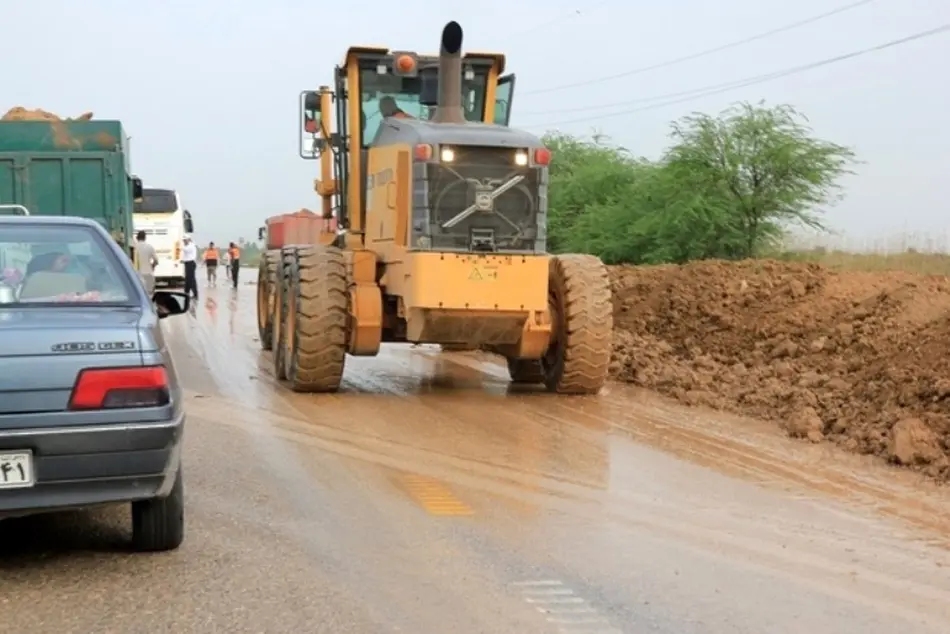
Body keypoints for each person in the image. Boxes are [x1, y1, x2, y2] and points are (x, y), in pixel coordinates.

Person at [133, 230, 159, 295]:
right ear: (145, 238)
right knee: (149, 296)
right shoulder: (150, 247)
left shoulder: (133, 247)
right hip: (148, 274)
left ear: (137, 238)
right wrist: (152, 266)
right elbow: (156, 260)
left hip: (137, 275)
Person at [180, 234, 198, 300]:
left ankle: (195, 294)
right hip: (187, 263)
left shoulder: (191, 245)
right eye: (183, 240)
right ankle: (186, 293)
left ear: (188, 239)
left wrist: (179, 247)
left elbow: (186, 250)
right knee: (187, 280)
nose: (184, 241)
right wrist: (182, 260)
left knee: (191, 280)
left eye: (185, 240)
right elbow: (186, 255)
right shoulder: (187, 245)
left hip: (191, 263)